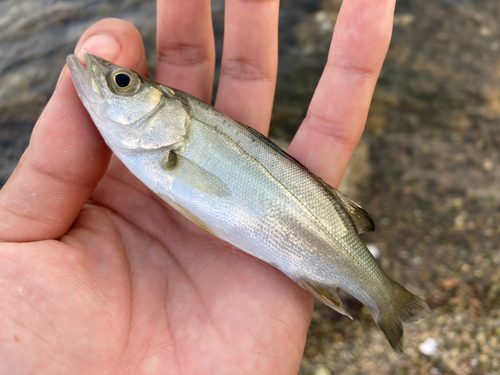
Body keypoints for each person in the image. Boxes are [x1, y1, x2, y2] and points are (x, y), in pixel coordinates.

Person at [0, 0, 396, 373]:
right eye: (124, 82)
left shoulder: (165, 147)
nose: (111, 80)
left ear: (171, 118)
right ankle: (387, 299)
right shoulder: (159, 148)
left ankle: (388, 300)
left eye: (122, 83)